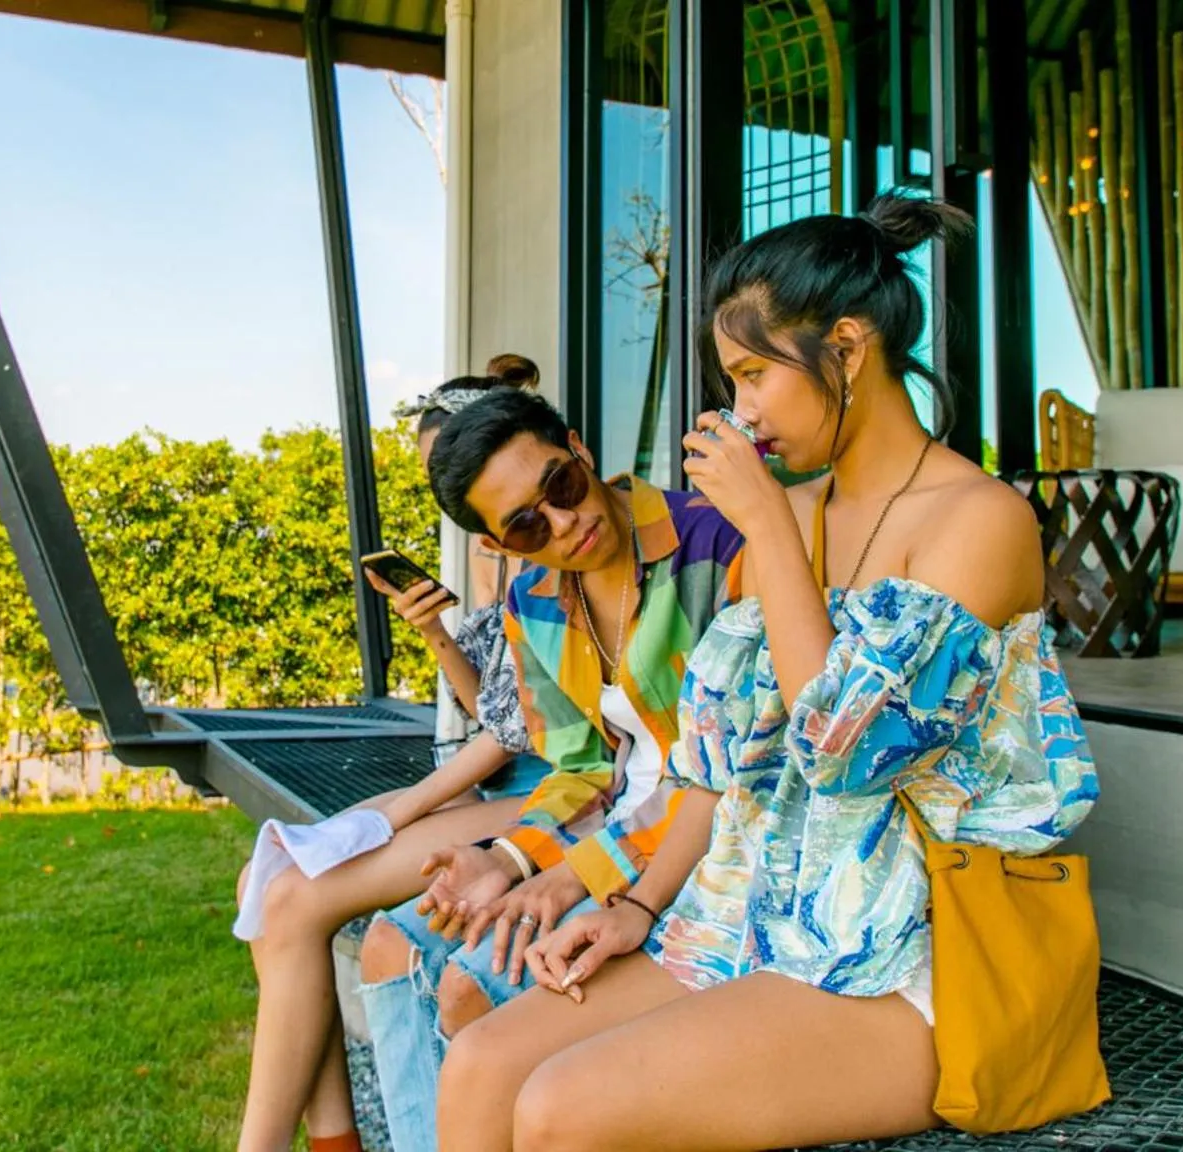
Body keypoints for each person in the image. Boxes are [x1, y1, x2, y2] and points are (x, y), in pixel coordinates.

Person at [433, 194, 1102, 1152]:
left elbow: (851, 750)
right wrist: (633, 904)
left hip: (923, 954)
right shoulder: (801, 511)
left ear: (845, 346)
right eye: (730, 380)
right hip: (762, 911)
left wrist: (773, 536)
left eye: (752, 374)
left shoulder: (978, 519)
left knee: (561, 1108)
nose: (739, 409)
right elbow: (725, 764)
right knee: (484, 1066)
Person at [358, 388, 745, 1152]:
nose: (565, 523)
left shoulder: (714, 550)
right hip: (606, 835)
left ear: (580, 450)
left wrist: (573, 874)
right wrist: (504, 857)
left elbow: (726, 775)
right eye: (528, 524)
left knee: (470, 983)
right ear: (501, 546)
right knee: (388, 945)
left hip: (701, 849)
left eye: (561, 486)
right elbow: (579, 767)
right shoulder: (531, 595)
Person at [234, 357, 547, 1152]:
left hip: (550, 788)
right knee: (265, 878)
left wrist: (410, 805)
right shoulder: (485, 547)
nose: (440, 488)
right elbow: (493, 706)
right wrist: (438, 635)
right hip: (488, 778)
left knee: (300, 901)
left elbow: (524, 730)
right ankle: (331, 1139)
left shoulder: (541, 535)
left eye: (445, 468)